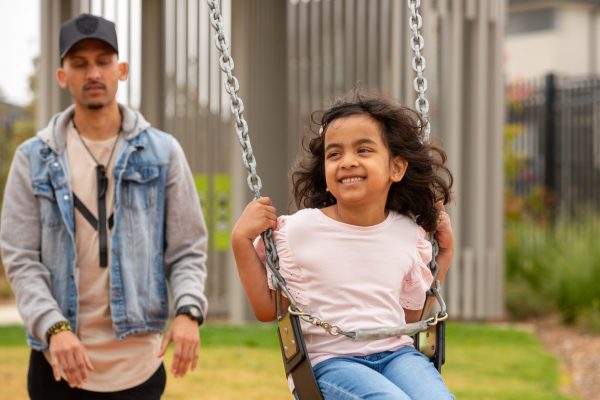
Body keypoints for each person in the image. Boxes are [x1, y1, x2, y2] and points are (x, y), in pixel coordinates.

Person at [0, 13, 208, 400]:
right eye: (79, 63)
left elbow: (187, 249)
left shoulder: (163, 152)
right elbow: (21, 259)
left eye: (103, 61)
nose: (92, 72)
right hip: (57, 366)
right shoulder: (33, 159)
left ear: (121, 70)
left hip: (139, 368)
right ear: (63, 75)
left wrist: (188, 311)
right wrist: (54, 328)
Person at [232, 90, 455, 399]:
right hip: (333, 362)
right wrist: (240, 241)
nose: (347, 162)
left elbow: (412, 318)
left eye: (363, 150)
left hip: (398, 354)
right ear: (325, 172)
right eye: (335, 154)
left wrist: (444, 255)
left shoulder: (407, 232)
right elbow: (268, 309)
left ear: (397, 168)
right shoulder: (300, 230)